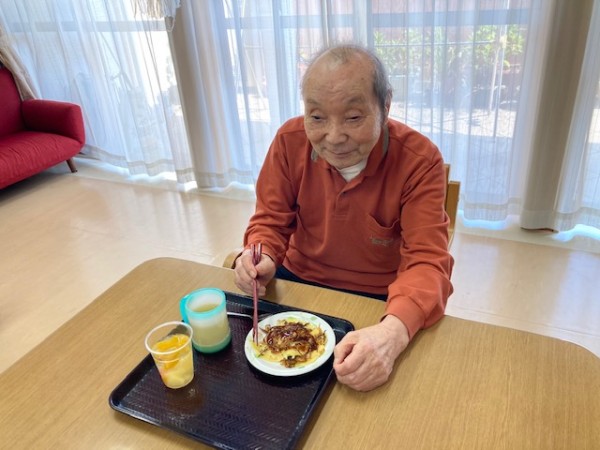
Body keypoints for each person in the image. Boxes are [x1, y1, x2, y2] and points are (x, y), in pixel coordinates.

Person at [234, 44, 454, 391]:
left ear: (385, 105)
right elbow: (270, 220)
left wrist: (393, 333)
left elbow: (427, 262)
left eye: (353, 117)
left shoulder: (419, 161)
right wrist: (259, 255)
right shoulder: (289, 141)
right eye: (317, 117)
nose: (334, 138)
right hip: (297, 281)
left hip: (378, 297)